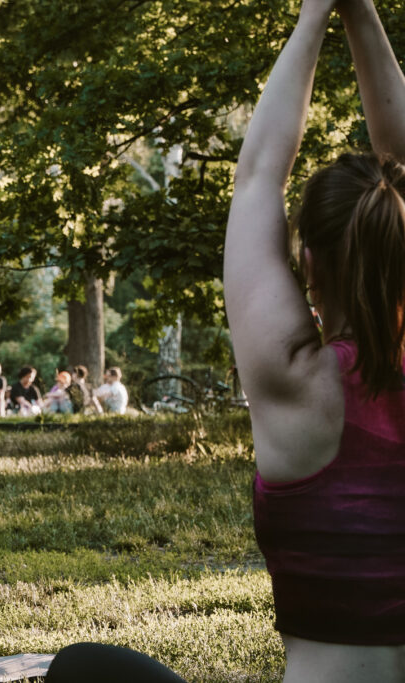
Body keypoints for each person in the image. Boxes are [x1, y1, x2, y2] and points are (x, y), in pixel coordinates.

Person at [53, 1, 405, 680]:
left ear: (306, 264)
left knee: (82, 667)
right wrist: (362, 11)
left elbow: (258, 177)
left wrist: (316, 13)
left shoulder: (293, 378)